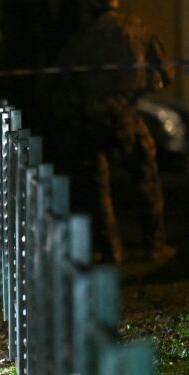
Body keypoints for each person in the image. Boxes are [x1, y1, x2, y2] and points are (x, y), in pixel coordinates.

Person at [57, 0, 175, 264]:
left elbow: (67, 76)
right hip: (126, 114)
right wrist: (144, 87)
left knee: (99, 185)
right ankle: (154, 247)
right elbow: (166, 72)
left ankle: (112, 251)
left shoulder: (85, 35)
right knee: (146, 177)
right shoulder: (137, 28)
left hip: (93, 116)